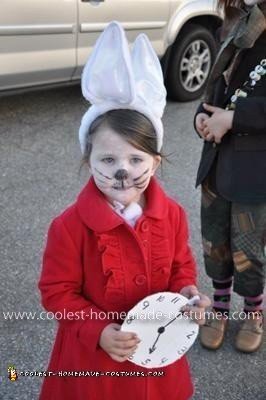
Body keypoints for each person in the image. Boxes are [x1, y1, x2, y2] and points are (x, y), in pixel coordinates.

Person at [38, 22, 210, 400]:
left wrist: (186, 291)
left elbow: (181, 265)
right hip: (96, 369)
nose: (123, 170)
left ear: (156, 160)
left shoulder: (173, 215)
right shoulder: (68, 227)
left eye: (136, 158)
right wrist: (98, 330)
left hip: (159, 359)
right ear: (88, 159)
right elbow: (57, 292)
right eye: (108, 158)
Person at [194, 0, 265, 353]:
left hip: (255, 171)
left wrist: (234, 119)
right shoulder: (235, 20)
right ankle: (220, 306)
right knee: (215, 240)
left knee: (249, 249)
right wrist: (201, 118)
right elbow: (214, 88)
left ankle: (254, 311)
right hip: (217, 162)